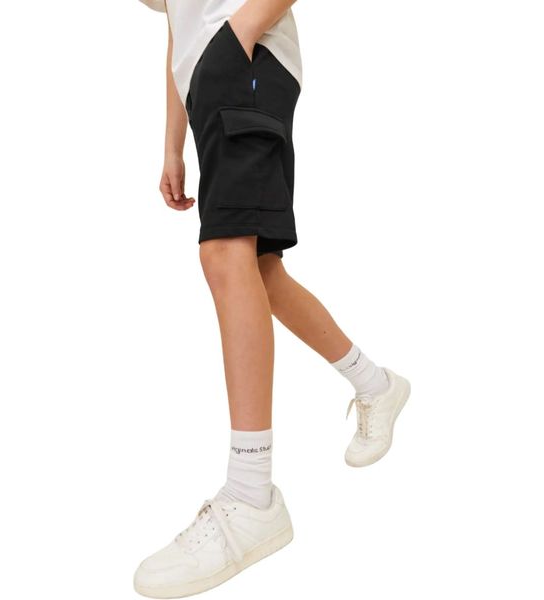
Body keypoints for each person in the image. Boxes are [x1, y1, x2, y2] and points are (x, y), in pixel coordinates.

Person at [133, 0, 411, 597]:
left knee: (225, 252)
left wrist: (240, 33)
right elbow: (178, 23)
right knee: (259, 268)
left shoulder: (238, 41)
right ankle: (376, 384)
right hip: (209, 76)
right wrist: (172, 144)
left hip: (245, 56)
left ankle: (251, 492)